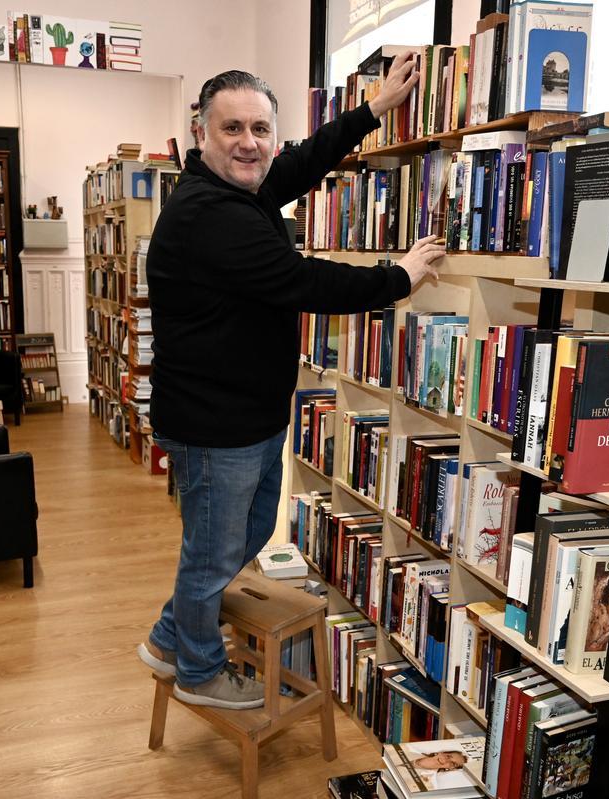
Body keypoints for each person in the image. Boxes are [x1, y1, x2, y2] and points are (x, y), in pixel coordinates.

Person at [136, 57, 445, 711]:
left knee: (236, 539)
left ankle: (170, 636)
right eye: (232, 128)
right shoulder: (212, 216)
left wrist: (372, 110)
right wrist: (400, 275)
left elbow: (298, 165)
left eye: (260, 128)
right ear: (201, 133)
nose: (249, 142)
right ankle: (197, 672)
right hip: (215, 424)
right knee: (212, 556)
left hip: (245, 416)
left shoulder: (236, 190)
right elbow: (309, 282)